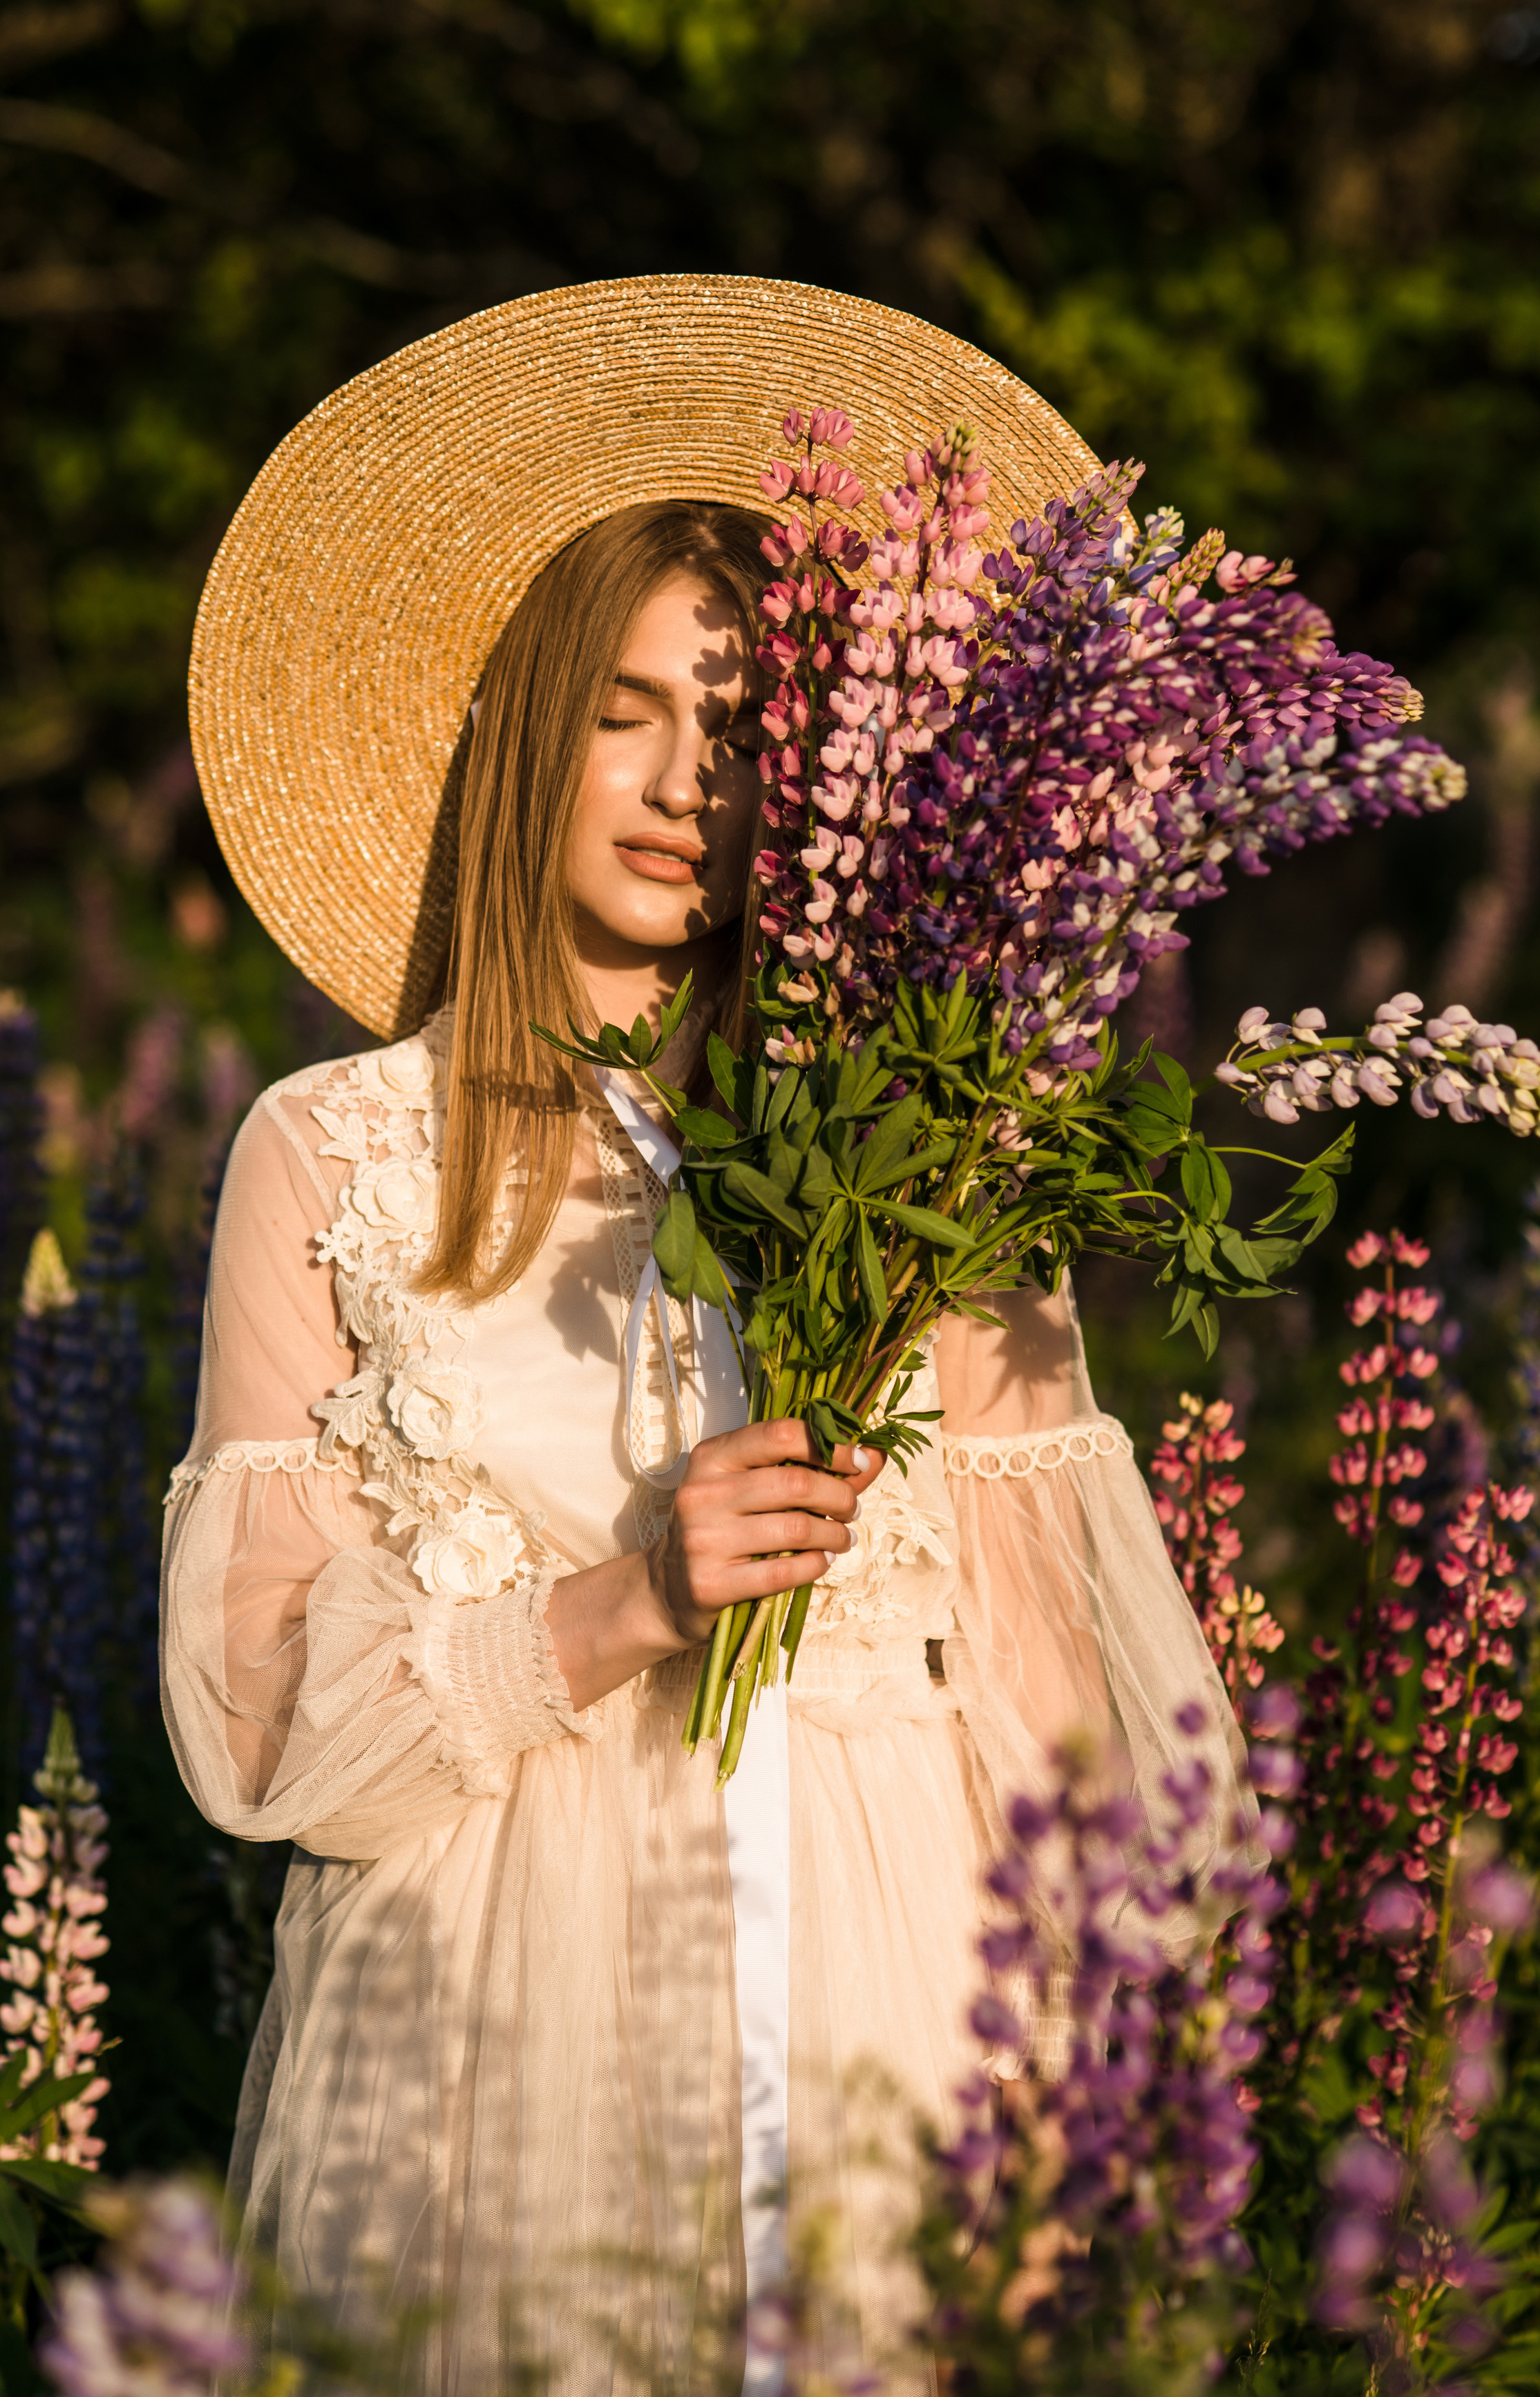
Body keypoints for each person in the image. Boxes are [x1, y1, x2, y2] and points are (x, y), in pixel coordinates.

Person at [161, 276, 1249, 2397]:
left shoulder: (934, 1143)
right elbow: (265, 1716)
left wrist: (1077, 2136)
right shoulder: (335, 1150)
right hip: (497, 2045)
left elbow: (1055, 1703)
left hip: (893, 1993)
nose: (688, 783)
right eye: (626, 711)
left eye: (746, 728)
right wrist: (621, 1601)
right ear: (515, 727)